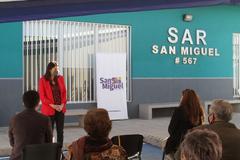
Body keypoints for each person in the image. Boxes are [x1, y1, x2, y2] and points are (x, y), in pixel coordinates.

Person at [8, 90, 52, 160]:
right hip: (39, 157)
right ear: (38, 103)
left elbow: (12, 143)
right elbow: (49, 142)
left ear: (23, 103)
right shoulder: (45, 119)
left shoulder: (14, 119)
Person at [164, 89, 204, 160]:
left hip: (179, 144)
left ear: (184, 98)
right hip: (193, 144)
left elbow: (171, 130)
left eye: (182, 96)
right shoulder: (199, 111)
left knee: (166, 146)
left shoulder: (179, 111)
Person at [39, 61, 67, 148]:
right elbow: (42, 96)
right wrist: (53, 105)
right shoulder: (43, 80)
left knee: (60, 131)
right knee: (49, 132)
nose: (57, 69)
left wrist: (62, 104)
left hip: (60, 109)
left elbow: (64, 93)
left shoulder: (60, 78)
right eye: (55, 67)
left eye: (57, 67)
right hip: (49, 110)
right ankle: (49, 149)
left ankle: (59, 150)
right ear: (50, 69)